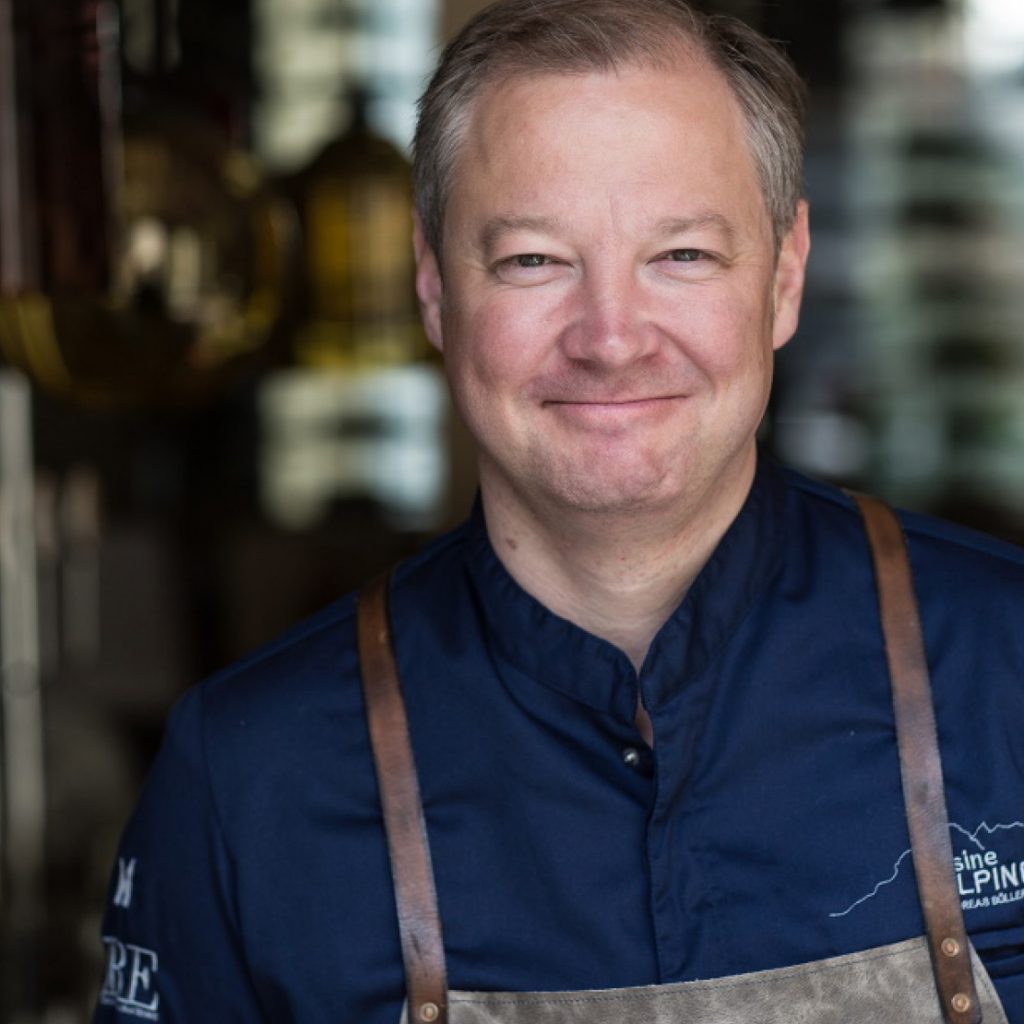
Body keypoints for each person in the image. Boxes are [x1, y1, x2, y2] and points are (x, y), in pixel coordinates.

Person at [95, 0, 1024, 1021]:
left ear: (786, 274)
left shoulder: (1004, 670)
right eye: (534, 259)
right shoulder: (244, 779)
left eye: (682, 255)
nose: (611, 339)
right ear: (435, 288)